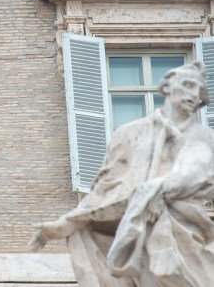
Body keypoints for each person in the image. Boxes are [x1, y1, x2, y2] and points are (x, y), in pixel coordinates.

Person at [29, 61, 214, 286]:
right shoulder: (129, 134)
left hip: (186, 232)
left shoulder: (204, 137)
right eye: (187, 85)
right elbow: (107, 187)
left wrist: (151, 192)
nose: (193, 94)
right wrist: (71, 221)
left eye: (199, 89)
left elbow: (194, 174)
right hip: (136, 234)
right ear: (167, 87)